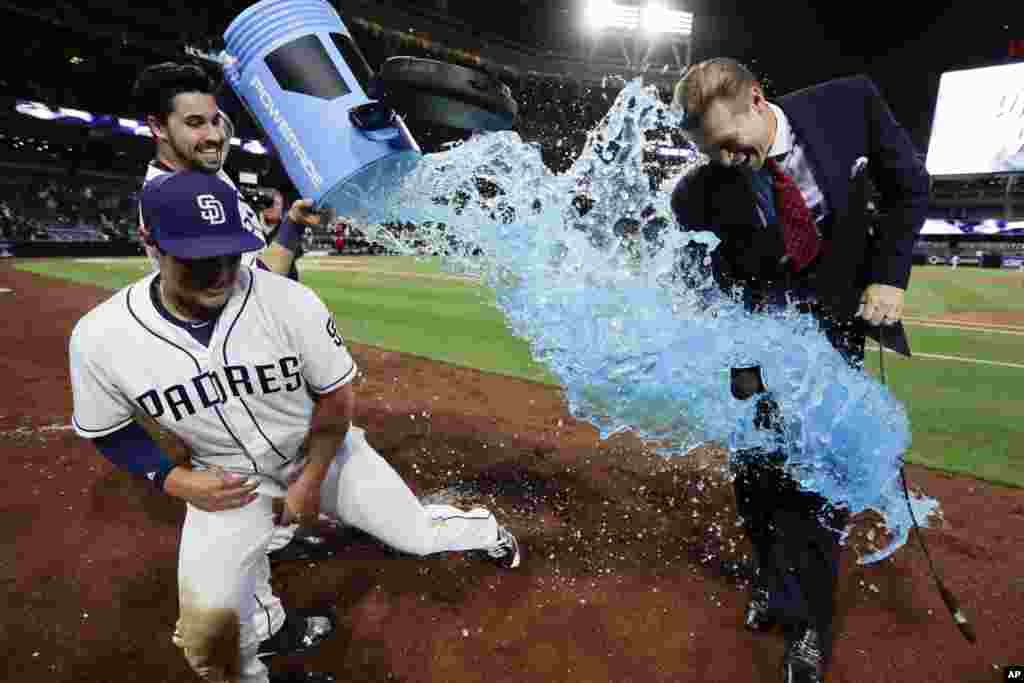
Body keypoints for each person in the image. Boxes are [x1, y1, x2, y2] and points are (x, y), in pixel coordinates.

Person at [69, 171, 521, 683]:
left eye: (227, 252)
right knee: (204, 638)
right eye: (196, 256)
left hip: (325, 455)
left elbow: (335, 397)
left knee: (416, 536)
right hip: (229, 479)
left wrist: (310, 481)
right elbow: (107, 429)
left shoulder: (288, 303)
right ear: (150, 244)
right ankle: (263, 639)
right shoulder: (101, 338)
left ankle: (486, 529)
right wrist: (172, 480)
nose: (218, 271)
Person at [670, 58, 929, 683]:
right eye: (712, 154)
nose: (727, 161)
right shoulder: (699, 192)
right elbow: (696, 273)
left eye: (732, 146)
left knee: (816, 473)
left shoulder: (850, 104)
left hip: (837, 327)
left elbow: (909, 188)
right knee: (757, 468)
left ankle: (809, 619)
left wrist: (888, 277)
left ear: (758, 101)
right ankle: (768, 574)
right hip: (758, 339)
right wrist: (725, 343)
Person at [132, 61, 327, 567]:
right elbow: (255, 284)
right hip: (239, 341)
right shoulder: (175, 198)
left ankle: (279, 526)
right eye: (195, 123)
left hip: (253, 317)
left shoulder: (199, 171)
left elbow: (218, 137)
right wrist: (291, 230)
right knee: (262, 455)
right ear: (158, 127)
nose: (214, 134)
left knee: (278, 446)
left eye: (215, 120)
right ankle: (263, 569)